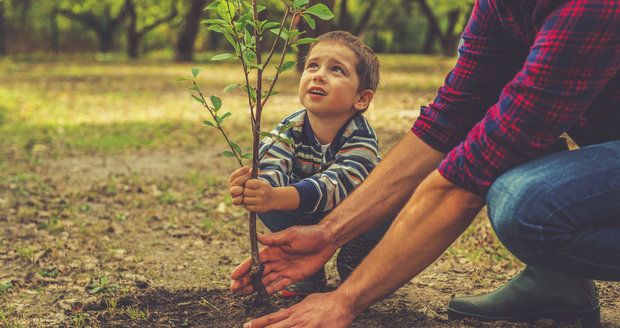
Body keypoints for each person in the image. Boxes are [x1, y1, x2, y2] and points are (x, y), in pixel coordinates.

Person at [230, 0, 620, 327]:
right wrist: (328, 233)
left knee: (524, 203)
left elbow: (476, 168)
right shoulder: (498, 8)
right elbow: (449, 119)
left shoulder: (590, 7)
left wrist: (346, 298)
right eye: (313, 66)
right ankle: (558, 282)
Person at [228, 31, 393, 297]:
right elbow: (273, 162)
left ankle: (362, 258)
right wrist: (259, 188)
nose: (318, 75)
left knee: (366, 252)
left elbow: (337, 185)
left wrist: (279, 196)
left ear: (361, 98)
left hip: (359, 215)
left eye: (336, 69)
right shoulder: (291, 126)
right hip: (310, 210)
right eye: (312, 66)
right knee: (268, 204)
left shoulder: (361, 137)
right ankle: (309, 270)